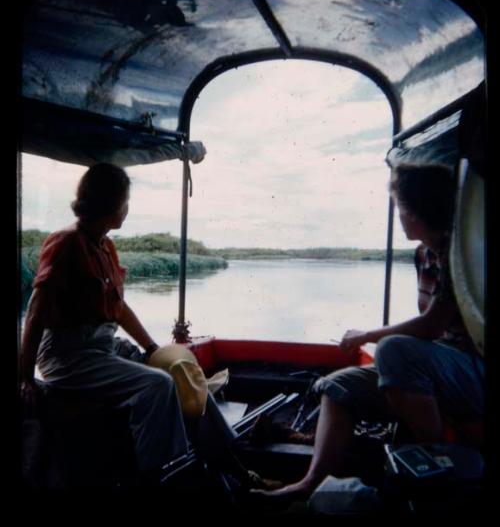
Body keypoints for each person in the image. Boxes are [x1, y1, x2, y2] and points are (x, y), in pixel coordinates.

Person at [20, 162, 268, 489]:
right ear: (109, 205)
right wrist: (24, 377)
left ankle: (233, 464)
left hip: (101, 348)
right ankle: (152, 481)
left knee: (182, 375)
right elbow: (36, 312)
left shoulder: (104, 246)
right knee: (157, 386)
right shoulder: (65, 243)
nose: (127, 208)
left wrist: (152, 349)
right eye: (124, 201)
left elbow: (118, 309)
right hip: (68, 356)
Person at [254, 164, 484, 502]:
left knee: (392, 350)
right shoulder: (423, 254)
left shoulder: (457, 253)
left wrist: (365, 336)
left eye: (399, 208)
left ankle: (433, 472)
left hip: (472, 372)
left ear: (414, 211)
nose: (399, 215)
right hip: (442, 368)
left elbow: (432, 324)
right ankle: (309, 484)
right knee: (338, 385)